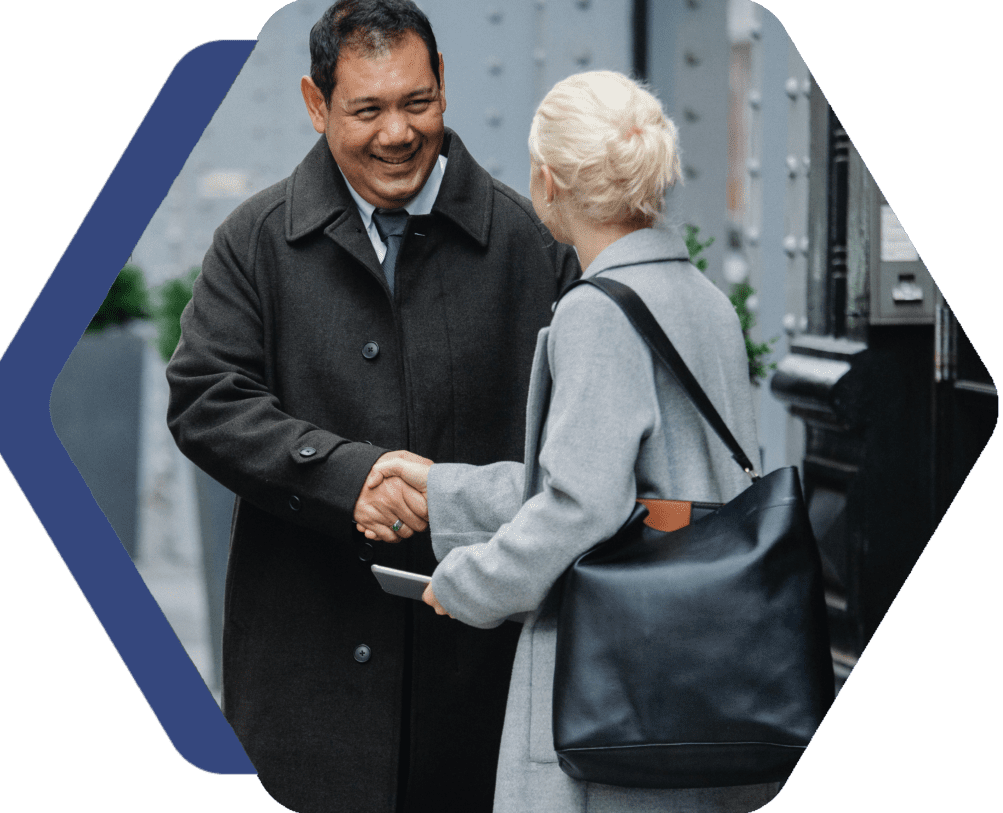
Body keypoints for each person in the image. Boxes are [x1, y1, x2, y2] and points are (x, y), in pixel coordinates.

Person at [165, 1, 580, 811]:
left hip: (480, 692)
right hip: (304, 684)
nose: (398, 132)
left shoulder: (532, 246)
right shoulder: (254, 240)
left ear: (446, 88)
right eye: (367, 109)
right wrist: (348, 476)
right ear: (316, 106)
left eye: (416, 102)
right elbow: (206, 396)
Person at [362, 71, 782, 812]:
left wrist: (465, 583)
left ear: (548, 181)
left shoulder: (596, 311)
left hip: (614, 698)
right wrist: (442, 487)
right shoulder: (705, 301)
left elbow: (581, 505)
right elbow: (653, 488)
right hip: (707, 676)